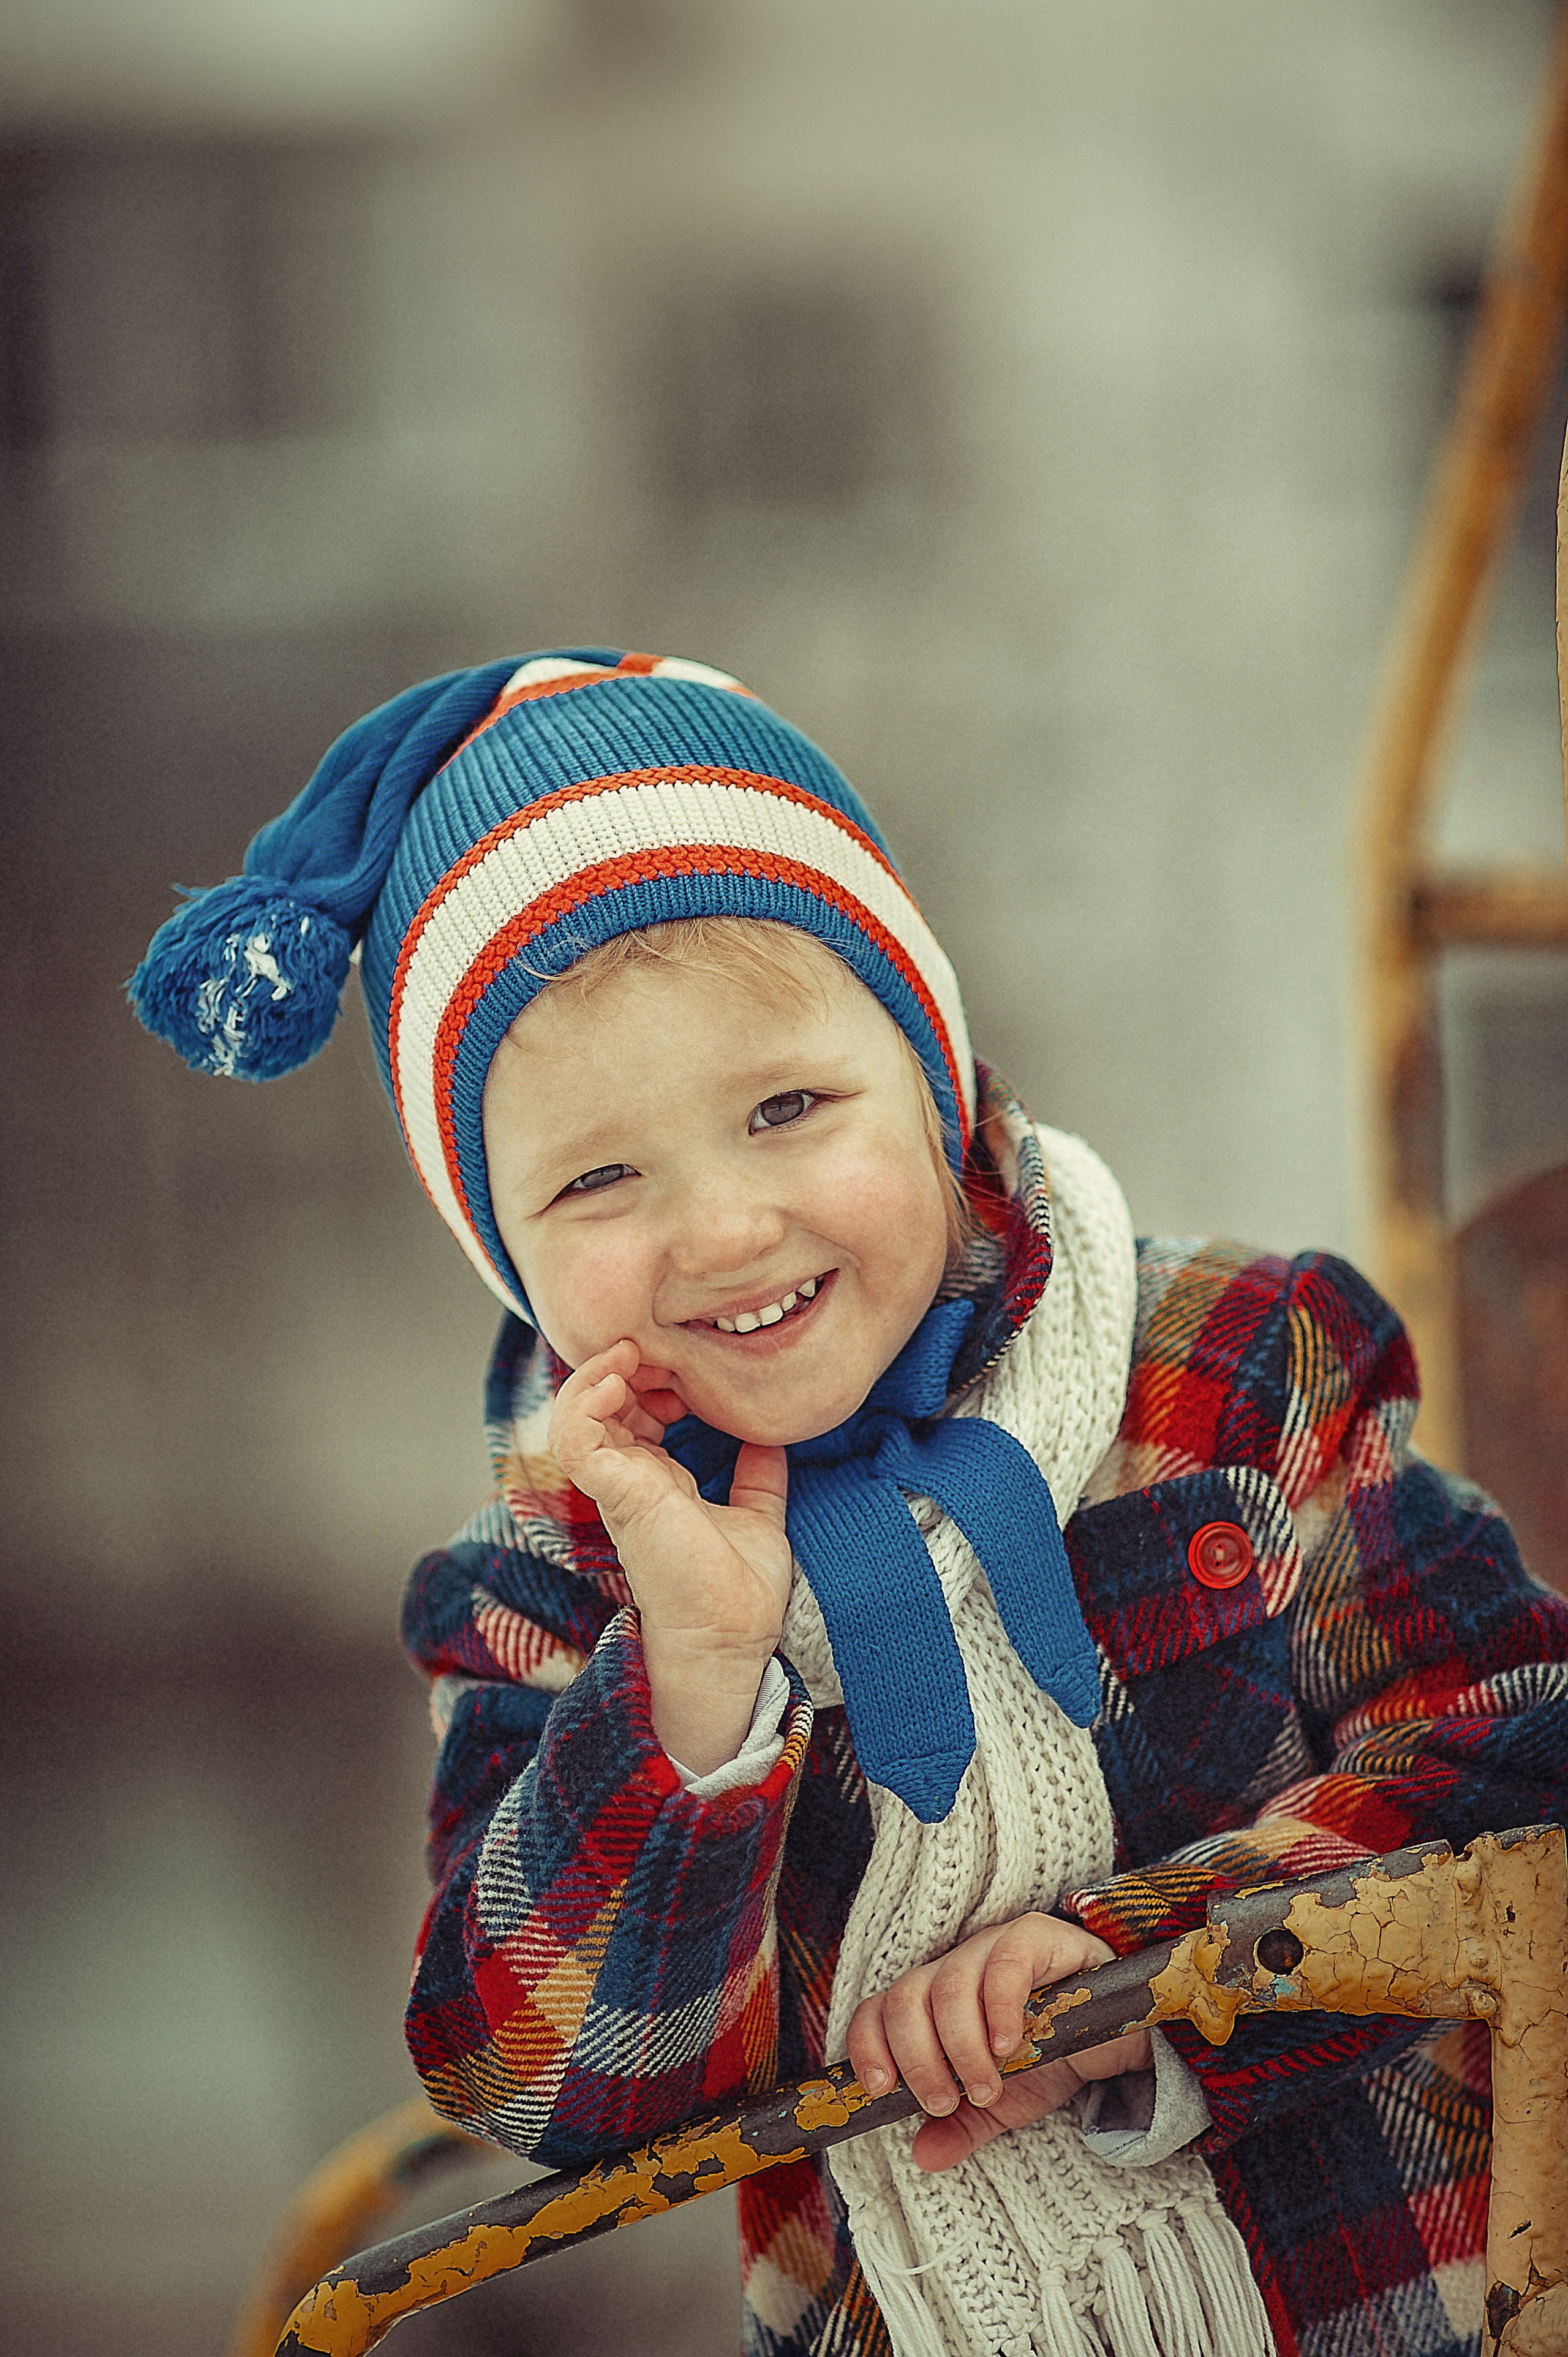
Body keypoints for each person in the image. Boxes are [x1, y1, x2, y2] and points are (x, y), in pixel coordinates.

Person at [131, 649, 1568, 2357]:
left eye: (789, 1109)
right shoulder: (550, 1579)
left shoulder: (1233, 1366)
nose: (725, 1229)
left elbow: (1513, 1754)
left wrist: (1151, 1976)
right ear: (502, 1246)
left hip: (1393, 2304)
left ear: (933, 1076)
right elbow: (540, 2082)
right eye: (599, 1179)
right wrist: (694, 1680)